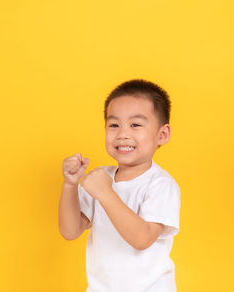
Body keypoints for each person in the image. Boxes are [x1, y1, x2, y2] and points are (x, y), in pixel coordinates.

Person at [58, 79, 181, 292]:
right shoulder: (102, 178)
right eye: (114, 125)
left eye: (135, 124)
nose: (122, 133)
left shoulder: (161, 185)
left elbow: (142, 238)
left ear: (162, 135)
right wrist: (70, 184)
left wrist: (106, 193)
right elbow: (70, 231)